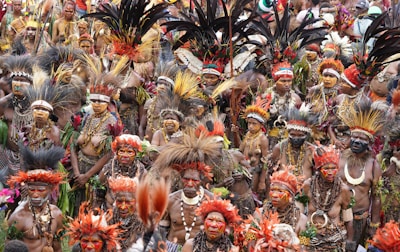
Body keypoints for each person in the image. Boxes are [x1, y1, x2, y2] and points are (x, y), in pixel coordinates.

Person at [70, 71, 121, 216]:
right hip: (79, 167)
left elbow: (109, 154)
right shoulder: (86, 117)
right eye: (94, 101)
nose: (97, 105)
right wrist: (76, 172)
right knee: (75, 206)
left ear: (108, 103)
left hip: (96, 170)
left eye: (101, 102)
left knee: (91, 206)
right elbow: (73, 145)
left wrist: (87, 176)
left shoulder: (112, 122)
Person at [337, 99, 385, 246]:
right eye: (355, 137)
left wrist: (374, 224)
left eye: (362, 138)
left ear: (369, 143)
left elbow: (376, 197)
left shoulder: (373, 165)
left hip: (359, 218)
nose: (357, 141)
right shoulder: (339, 157)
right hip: (336, 215)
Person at [6, 146, 65, 252]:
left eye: (41, 190)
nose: (35, 195)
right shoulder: (19, 216)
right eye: (32, 190)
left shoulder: (56, 214)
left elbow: (58, 247)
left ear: (50, 189)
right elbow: (10, 248)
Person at [303, 144, 355, 251]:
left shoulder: (343, 190)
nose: (330, 172)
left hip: (333, 242)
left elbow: (348, 219)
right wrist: (301, 242)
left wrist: (349, 242)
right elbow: (298, 213)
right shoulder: (308, 185)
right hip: (308, 238)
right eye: (326, 168)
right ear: (318, 168)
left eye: (334, 168)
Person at [236, 96, 270, 200]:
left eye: (254, 124)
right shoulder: (247, 134)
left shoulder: (263, 139)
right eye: (249, 123)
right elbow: (240, 150)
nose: (250, 126)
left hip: (254, 171)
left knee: (251, 196)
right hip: (243, 169)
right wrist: (236, 133)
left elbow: (265, 161)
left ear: (261, 125)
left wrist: (262, 181)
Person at [269, 104, 314, 182]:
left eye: (300, 135)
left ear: (306, 135)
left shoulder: (312, 150)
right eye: (293, 134)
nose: (296, 138)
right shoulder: (279, 148)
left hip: (306, 190)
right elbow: (270, 172)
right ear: (288, 133)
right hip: (283, 190)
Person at [99, 134, 146, 209]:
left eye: (129, 152)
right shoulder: (108, 168)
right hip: (109, 210)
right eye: (122, 151)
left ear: (136, 154)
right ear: (116, 152)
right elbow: (99, 189)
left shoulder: (141, 171)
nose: (125, 155)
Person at [260, 169, 307, 235]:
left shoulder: (301, 220)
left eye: (280, 191)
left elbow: (304, 244)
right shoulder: (260, 214)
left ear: (291, 196)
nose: (274, 195)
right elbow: (250, 239)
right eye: (273, 190)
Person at [108, 176, 145, 251]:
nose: (123, 207)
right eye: (119, 201)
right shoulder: (109, 217)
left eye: (128, 202)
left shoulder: (144, 222)